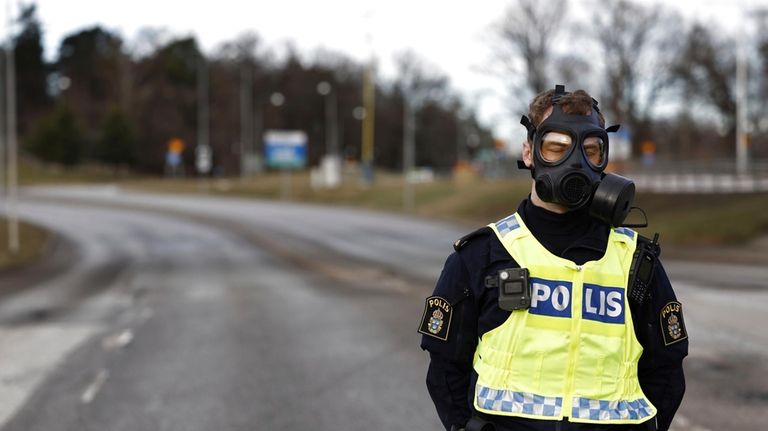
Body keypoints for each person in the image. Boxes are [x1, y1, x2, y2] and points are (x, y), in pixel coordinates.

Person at [418, 85, 687, 431]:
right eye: (557, 147)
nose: (576, 162)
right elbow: (445, 367)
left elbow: (666, 372)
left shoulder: (637, 261)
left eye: (591, 151)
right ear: (529, 152)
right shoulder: (482, 255)